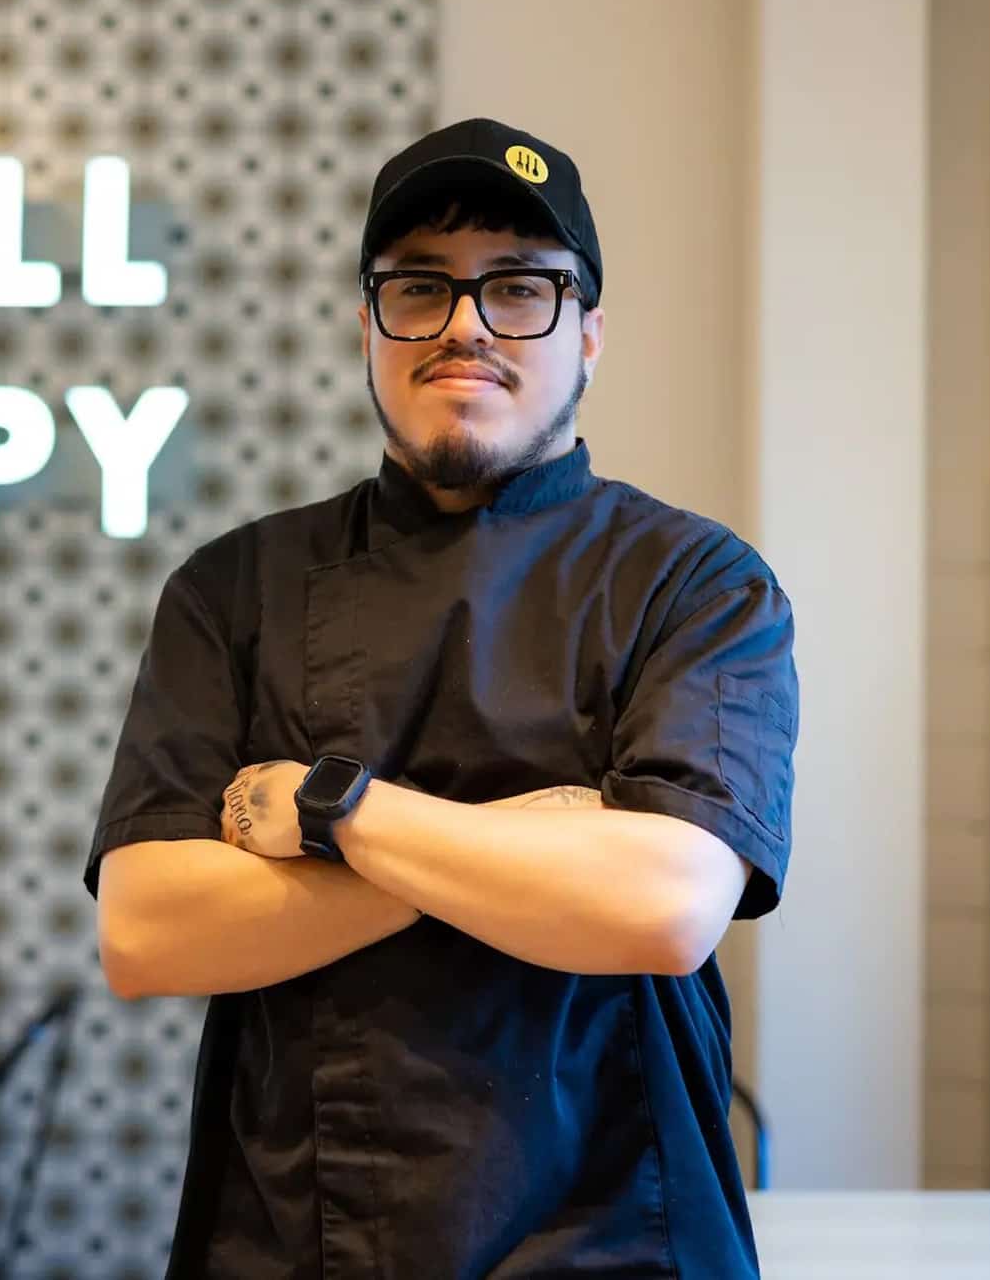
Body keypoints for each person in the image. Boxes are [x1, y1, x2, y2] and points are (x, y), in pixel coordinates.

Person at [86, 117, 799, 1279]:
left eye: (521, 287)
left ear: (590, 332)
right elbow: (147, 929)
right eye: (420, 286)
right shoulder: (236, 588)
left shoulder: (697, 580)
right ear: (366, 325)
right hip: (301, 1234)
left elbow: (664, 906)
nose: (465, 324)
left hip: (618, 1234)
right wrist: (532, 842)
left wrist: (335, 818)